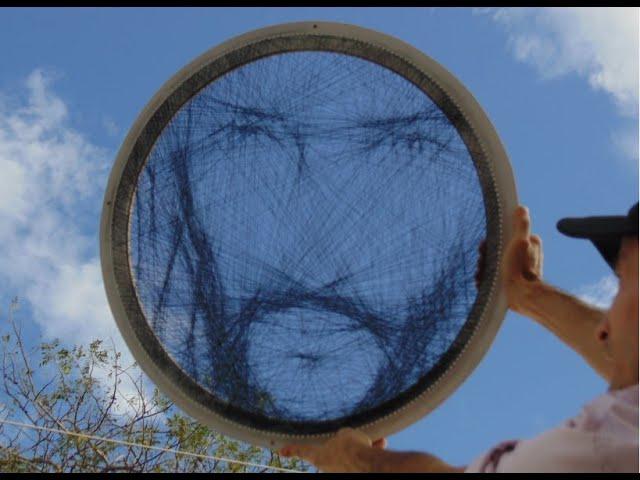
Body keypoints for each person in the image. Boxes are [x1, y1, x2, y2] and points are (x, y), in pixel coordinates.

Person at [280, 202, 639, 473]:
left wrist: (359, 461)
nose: (603, 326)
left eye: (623, 280)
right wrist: (527, 294)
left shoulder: (606, 449)